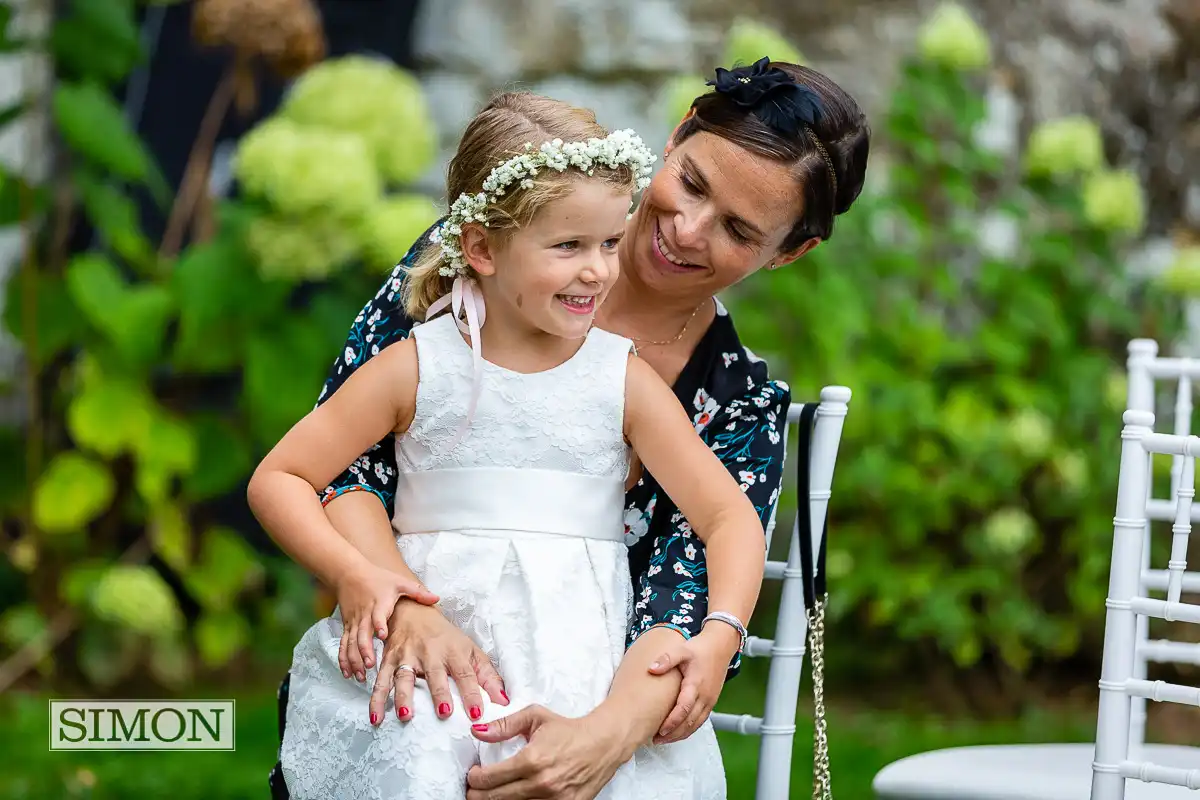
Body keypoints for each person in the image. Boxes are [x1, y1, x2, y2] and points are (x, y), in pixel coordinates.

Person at [269, 56, 871, 799]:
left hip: (595, 690)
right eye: (690, 183)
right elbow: (342, 467)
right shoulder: (477, 260)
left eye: (739, 229)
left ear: (789, 253)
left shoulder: (727, 399)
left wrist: (604, 737)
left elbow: (689, 588)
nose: (685, 229)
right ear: (679, 132)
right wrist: (399, 605)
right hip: (422, 661)